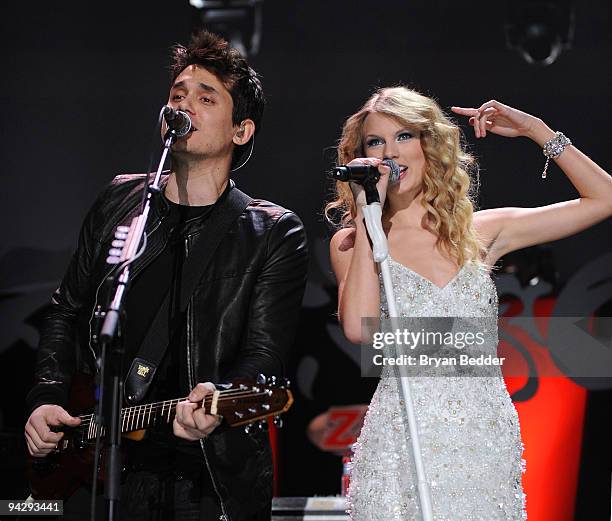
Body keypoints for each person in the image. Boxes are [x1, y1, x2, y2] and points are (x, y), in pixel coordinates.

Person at [24, 30, 308, 521]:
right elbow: (66, 310)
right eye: (177, 95)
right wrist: (46, 397)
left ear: (241, 130)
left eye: (205, 98)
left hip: (206, 479)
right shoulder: (120, 201)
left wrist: (218, 401)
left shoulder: (272, 231)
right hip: (102, 467)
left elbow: (264, 354)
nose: (184, 105)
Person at [326, 86, 612, 519]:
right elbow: (358, 328)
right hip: (402, 437)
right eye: (376, 142)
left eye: (404, 137)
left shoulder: (479, 232)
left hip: (482, 439)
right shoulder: (352, 242)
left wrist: (537, 131)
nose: (391, 152)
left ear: (429, 145)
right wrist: (370, 216)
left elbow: (603, 199)